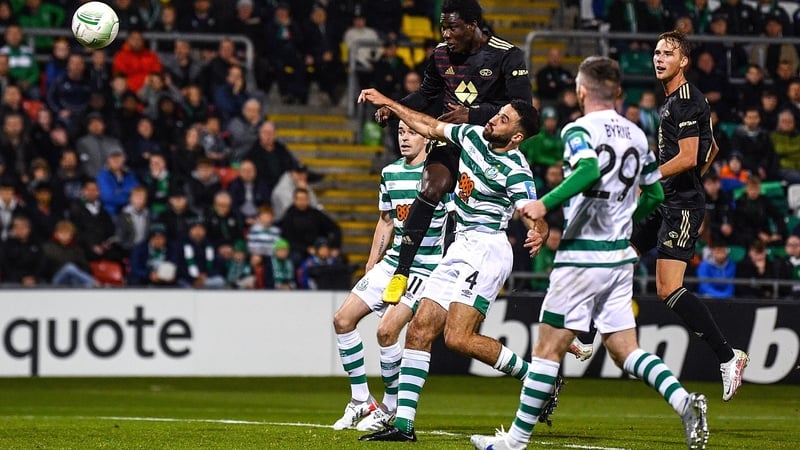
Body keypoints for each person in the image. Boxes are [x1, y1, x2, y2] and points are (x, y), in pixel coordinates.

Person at [470, 55, 708, 450]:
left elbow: (588, 170)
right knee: (625, 351)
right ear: (616, 90)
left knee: (547, 349)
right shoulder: (636, 135)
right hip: (618, 258)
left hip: (581, 258)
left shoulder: (578, 130)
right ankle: (684, 401)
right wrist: (624, 219)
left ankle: (513, 442)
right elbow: (653, 192)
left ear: (581, 90)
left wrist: (544, 204)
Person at [356, 89, 547, 442]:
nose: (493, 119)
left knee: (458, 338)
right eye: (497, 113)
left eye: (503, 119)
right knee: (418, 331)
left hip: (488, 249)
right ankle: (403, 426)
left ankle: (537, 377)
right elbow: (428, 126)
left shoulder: (516, 169)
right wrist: (391, 103)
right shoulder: (472, 135)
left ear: (517, 136)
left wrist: (539, 229)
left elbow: (531, 210)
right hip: (459, 246)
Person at [374, 0, 533, 304]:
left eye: (453, 27)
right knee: (431, 186)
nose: (446, 33)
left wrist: (472, 114)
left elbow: (522, 107)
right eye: (443, 26)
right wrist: (394, 109)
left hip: (487, 143)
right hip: (451, 138)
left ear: (472, 26)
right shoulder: (440, 54)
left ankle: (484, 272)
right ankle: (402, 272)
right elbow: (426, 94)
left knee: (475, 208)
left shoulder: (507, 55)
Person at [629, 30, 749, 402]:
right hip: (668, 198)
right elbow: (710, 147)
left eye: (668, 53)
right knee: (618, 255)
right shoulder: (677, 100)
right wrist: (689, 177)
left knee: (667, 289)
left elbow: (687, 157)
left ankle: (729, 357)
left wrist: (650, 177)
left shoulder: (684, 101)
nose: (659, 58)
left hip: (680, 206)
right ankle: (583, 337)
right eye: (656, 52)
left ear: (683, 62)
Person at [331, 120, 451, 432]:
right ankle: (361, 400)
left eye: (411, 132)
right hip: (392, 263)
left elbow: (456, 221)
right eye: (400, 132)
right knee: (342, 320)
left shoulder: (439, 174)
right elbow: (386, 221)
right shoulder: (390, 173)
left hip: (424, 268)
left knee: (386, 332)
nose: (404, 138)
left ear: (426, 138)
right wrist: (373, 261)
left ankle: (391, 405)